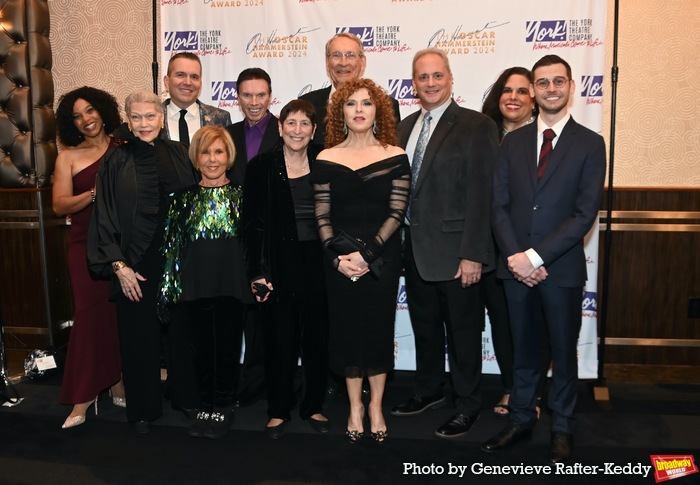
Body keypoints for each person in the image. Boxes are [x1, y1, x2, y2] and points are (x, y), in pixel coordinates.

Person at [483, 54, 606, 464]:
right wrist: (517, 258)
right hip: (514, 268)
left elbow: (584, 214)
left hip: (561, 269)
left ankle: (563, 426)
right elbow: (498, 206)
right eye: (542, 82)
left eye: (558, 81)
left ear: (571, 87)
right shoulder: (512, 142)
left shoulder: (591, 143)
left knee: (563, 351)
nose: (550, 88)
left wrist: (534, 256)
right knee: (521, 349)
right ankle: (520, 419)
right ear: (533, 91)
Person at [391, 49, 498, 440]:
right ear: (413, 82)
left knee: (464, 332)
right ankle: (429, 389)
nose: (430, 83)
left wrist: (473, 253)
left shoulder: (477, 125)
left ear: (451, 79)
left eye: (437, 76)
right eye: (423, 77)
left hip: (457, 254)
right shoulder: (404, 127)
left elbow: (483, 194)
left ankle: (467, 404)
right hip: (414, 249)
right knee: (425, 327)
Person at [88, 89, 196, 434]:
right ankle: (144, 410)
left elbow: (194, 206)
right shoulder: (114, 161)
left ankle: (186, 399)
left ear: (161, 119)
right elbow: (103, 216)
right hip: (135, 263)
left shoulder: (180, 153)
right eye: (137, 117)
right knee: (138, 338)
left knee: (182, 334)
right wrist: (119, 267)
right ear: (127, 121)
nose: (144, 123)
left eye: (151, 116)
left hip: (179, 260)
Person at [311, 78, 410, 442]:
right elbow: (321, 216)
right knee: (347, 332)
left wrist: (368, 255)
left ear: (377, 111)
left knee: (378, 331)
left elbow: (397, 212)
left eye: (366, 104)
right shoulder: (325, 157)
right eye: (350, 104)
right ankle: (355, 406)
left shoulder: (396, 155)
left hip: (381, 259)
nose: (358, 110)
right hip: (338, 261)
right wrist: (337, 259)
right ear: (340, 112)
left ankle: (376, 406)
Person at [242, 99, 330, 439]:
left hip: (320, 262)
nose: (297, 130)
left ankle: (313, 405)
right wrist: (256, 271)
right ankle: (278, 410)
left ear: (313, 130)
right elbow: (251, 225)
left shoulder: (326, 161)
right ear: (280, 128)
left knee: (316, 339)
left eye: (304, 124)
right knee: (279, 340)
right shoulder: (261, 166)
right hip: (277, 263)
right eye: (290, 123)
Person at [158, 126, 251, 439]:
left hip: (233, 284)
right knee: (200, 349)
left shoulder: (242, 196)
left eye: (219, 152)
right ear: (196, 158)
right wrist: (169, 288)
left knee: (227, 347)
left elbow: (254, 245)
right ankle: (205, 403)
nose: (213, 159)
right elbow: (171, 245)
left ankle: (222, 406)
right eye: (206, 152)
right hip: (194, 285)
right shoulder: (182, 199)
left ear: (229, 157)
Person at [53, 87, 125, 429]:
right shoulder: (67, 156)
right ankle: (84, 395)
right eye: (77, 115)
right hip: (83, 245)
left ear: (103, 111)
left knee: (115, 316)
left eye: (91, 111)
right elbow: (60, 205)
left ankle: (116, 380)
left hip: (120, 246)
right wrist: (95, 194)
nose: (86, 119)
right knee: (87, 315)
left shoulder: (123, 147)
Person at [481, 67, 539, 416]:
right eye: (507, 90)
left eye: (521, 90)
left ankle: (531, 391)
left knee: (531, 323)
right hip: (490, 248)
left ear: (533, 98)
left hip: (532, 249)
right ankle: (511, 388)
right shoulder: (483, 135)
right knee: (502, 322)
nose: (513, 97)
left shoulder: (546, 138)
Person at [226, 68, 281, 409]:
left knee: (272, 313)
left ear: (270, 96)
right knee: (244, 311)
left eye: (260, 95)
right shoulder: (227, 134)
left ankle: (270, 379)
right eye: (247, 95)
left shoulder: (286, 129)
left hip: (275, 238)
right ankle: (248, 379)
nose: (254, 102)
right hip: (236, 238)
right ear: (238, 97)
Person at [300, 32, 401, 147]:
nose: (343, 63)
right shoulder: (307, 103)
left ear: (362, 62)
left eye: (350, 55)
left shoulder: (388, 106)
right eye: (336, 55)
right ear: (327, 62)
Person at [112, 53, 231, 144]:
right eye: (180, 75)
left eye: (194, 77)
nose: (188, 82)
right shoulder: (150, 119)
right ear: (167, 81)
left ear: (200, 83)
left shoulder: (220, 118)